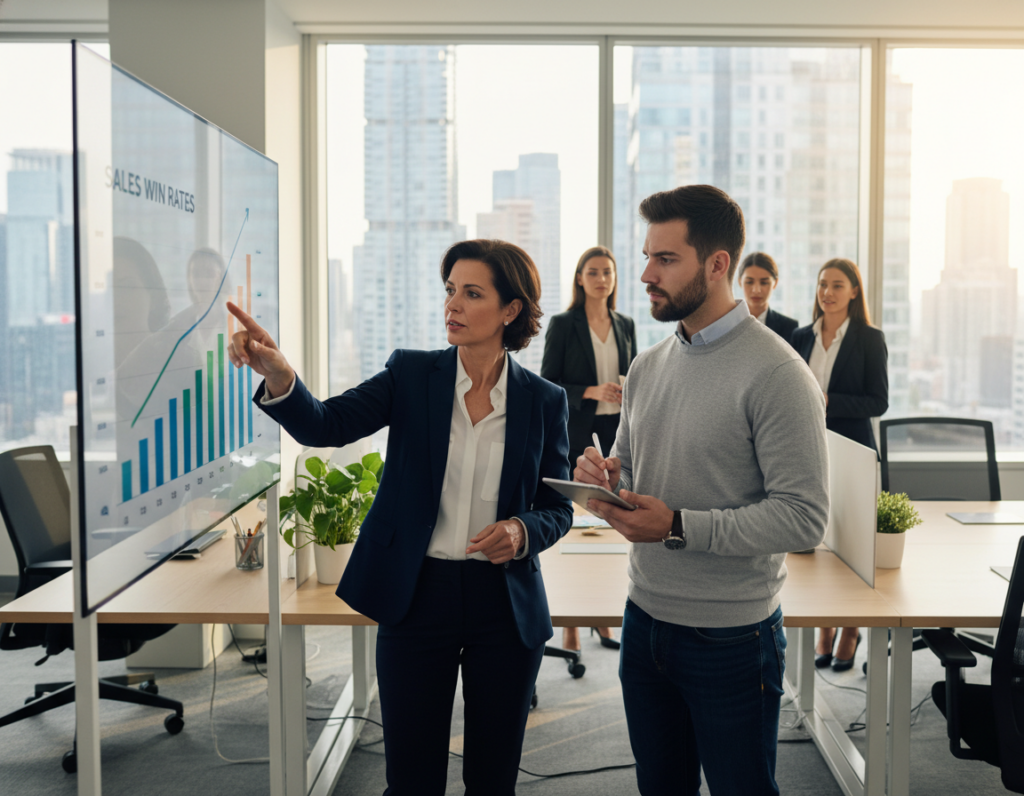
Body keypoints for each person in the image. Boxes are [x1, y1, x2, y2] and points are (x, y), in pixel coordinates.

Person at [226, 239, 573, 796]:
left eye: (472, 293)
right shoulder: (412, 375)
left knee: (494, 777)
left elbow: (558, 507)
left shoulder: (544, 400)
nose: (452, 306)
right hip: (419, 595)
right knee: (411, 776)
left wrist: (522, 531)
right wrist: (280, 374)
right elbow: (324, 425)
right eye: (450, 291)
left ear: (510, 311)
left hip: (503, 604)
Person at [574, 184, 829, 796]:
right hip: (644, 620)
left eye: (665, 260)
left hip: (732, 637)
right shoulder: (648, 366)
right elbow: (635, 472)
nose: (643, 275)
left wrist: (680, 525)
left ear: (718, 265)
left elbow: (804, 518)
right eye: (646, 257)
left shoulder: (779, 373)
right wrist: (608, 481)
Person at [791, 258, 888, 672]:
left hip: (852, 452)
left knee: (850, 545)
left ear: (853, 291)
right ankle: (824, 627)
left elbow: (878, 401)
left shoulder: (869, 338)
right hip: (809, 450)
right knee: (815, 543)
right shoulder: (800, 336)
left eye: (836, 285)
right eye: (822, 285)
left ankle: (850, 629)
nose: (827, 292)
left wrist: (829, 401)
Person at [541, 245, 637, 655]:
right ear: (580, 278)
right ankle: (571, 623)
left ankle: (600, 614)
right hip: (579, 432)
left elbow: (635, 375)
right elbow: (548, 383)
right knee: (577, 524)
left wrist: (625, 389)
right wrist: (591, 392)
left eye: (608, 272)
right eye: (593, 272)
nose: (601, 279)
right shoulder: (564, 324)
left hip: (617, 430)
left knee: (609, 525)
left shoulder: (626, 323)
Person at [739, 251, 799, 342]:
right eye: (749, 282)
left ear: (775, 283)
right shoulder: (728, 323)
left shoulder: (789, 327)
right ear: (740, 282)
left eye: (764, 283)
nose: (756, 290)